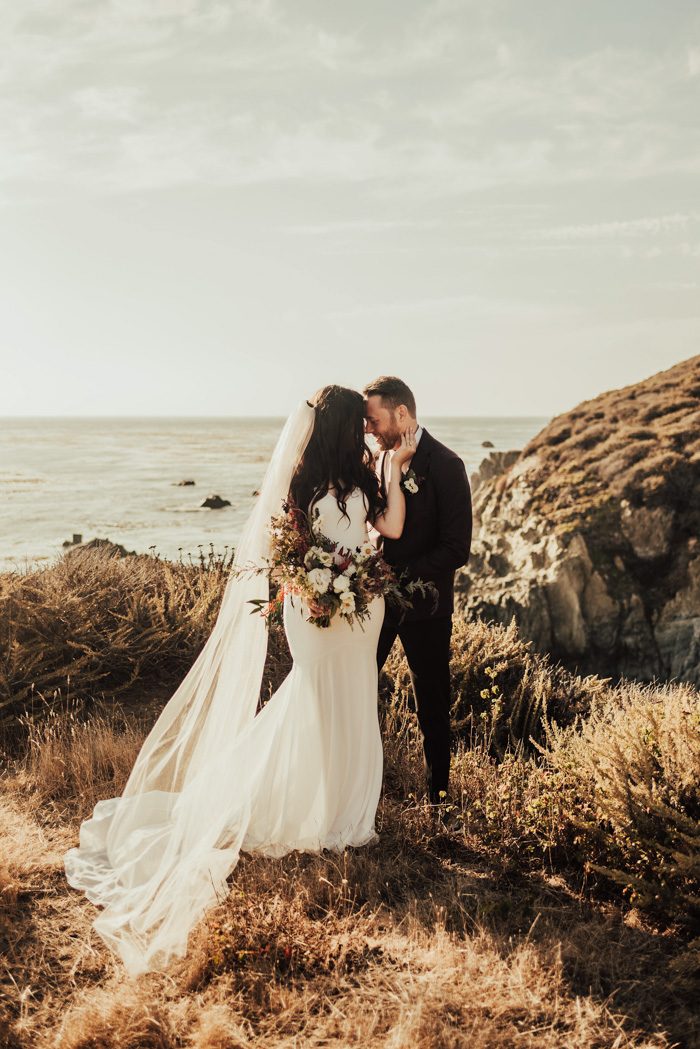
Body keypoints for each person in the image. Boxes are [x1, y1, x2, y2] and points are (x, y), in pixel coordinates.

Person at [64, 385, 416, 976]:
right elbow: (285, 556)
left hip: (362, 608)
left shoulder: (366, 478)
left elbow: (393, 532)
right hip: (316, 608)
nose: (365, 431)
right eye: (357, 423)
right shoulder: (303, 488)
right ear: (335, 427)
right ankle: (308, 809)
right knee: (312, 700)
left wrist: (395, 468)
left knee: (355, 703)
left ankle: (347, 815)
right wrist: (318, 586)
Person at [364, 376, 472, 807]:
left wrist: (399, 576)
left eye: (374, 420)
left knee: (431, 703)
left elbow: (456, 548)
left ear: (402, 413)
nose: (369, 430)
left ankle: (438, 800)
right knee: (357, 686)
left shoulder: (446, 465)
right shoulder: (380, 461)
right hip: (374, 602)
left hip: (427, 608)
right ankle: (363, 786)